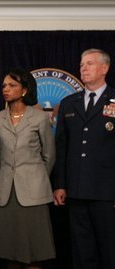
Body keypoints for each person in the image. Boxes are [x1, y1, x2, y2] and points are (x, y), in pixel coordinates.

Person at [54, 48, 115, 269]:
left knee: (109, 249)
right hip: (76, 189)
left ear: (104, 68)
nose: (83, 68)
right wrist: (60, 184)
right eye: (81, 64)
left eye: (89, 63)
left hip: (107, 191)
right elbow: (62, 147)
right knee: (82, 249)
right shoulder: (70, 103)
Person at [0, 68, 56, 269]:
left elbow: (49, 155)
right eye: (4, 86)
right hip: (7, 193)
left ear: (25, 90)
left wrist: (35, 178)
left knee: (35, 252)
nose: (6, 89)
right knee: (11, 251)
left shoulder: (39, 118)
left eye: (12, 85)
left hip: (34, 193)